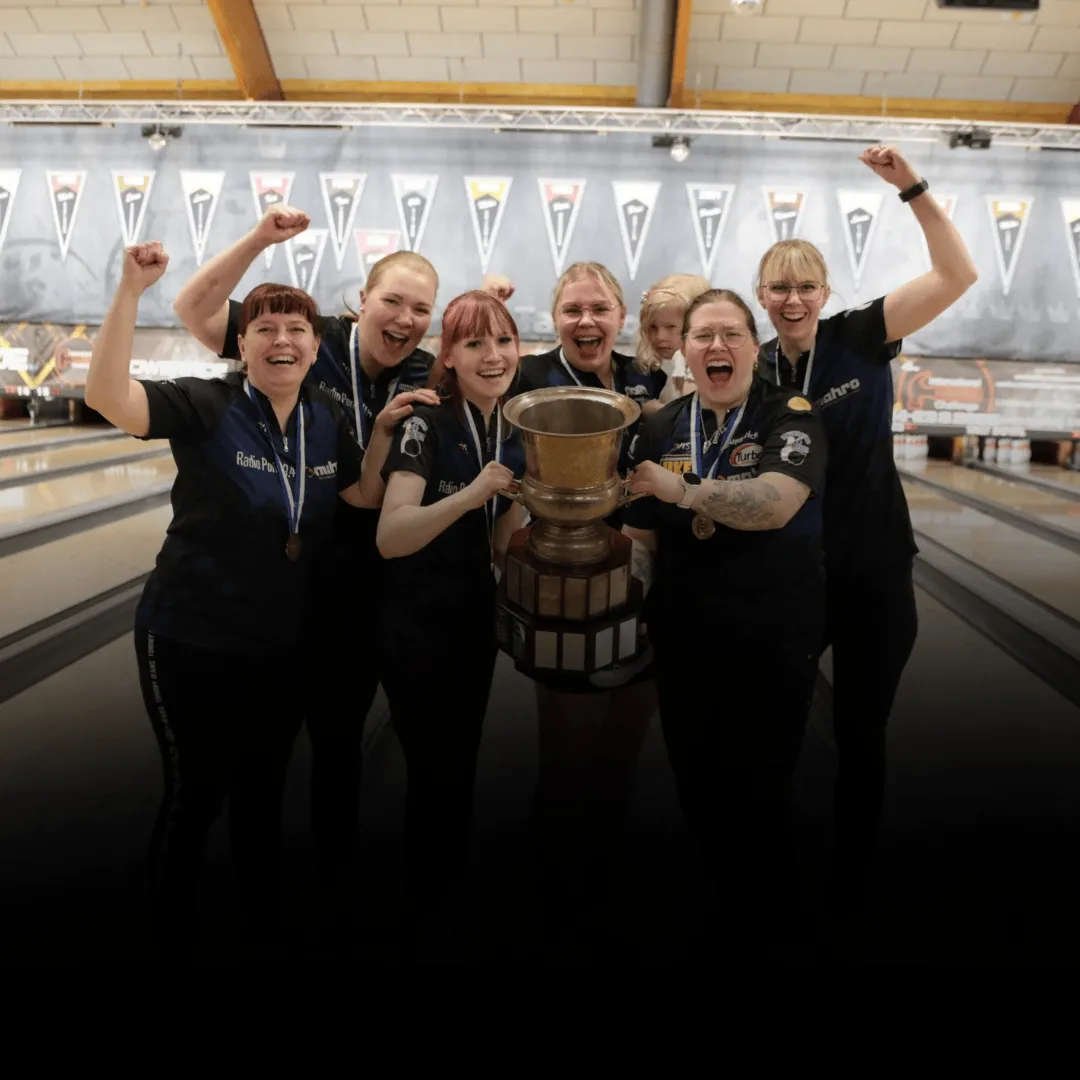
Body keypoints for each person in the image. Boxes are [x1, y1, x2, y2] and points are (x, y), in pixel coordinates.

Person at [172, 205, 504, 924]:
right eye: (393, 301)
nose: (406, 318)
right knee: (329, 743)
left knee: (424, 754)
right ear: (363, 299)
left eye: (421, 308)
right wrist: (261, 239)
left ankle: (410, 886)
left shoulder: (426, 369)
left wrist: (487, 319)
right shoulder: (308, 341)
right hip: (317, 586)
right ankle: (324, 881)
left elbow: (494, 374)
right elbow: (195, 309)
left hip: (406, 582)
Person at [84, 242, 373, 961]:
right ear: (240, 344)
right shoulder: (205, 401)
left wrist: (397, 429)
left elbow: (356, 496)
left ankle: (260, 929)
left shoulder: (328, 416)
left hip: (280, 646)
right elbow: (106, 399)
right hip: (190, 637)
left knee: (263, 794)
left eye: (297, 329)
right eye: (265, 328)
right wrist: (128, 294)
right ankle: (172, 933)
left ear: (315, 347)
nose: (282, 339)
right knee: (197, 791)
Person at [755, 144, 978, 916]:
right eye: (778, 287)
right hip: (792, 577)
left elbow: (957, 277)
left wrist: (910, 188)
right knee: (773, 727)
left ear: (824, 291)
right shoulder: (749, 369)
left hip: (875, 572)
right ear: (761, 293)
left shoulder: (861, 333)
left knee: (861, 732)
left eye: (804, 286)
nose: (792, 299)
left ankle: (850, 876)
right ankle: (768, 865)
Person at [624, 287, 828, 964]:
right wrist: (625, 598)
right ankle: (723, 905)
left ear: (753, 346)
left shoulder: (790, 415)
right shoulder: (659, 428)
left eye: (732, 334)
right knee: (698, 785)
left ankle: (772, 920)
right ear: (682, 349)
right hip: (685, 639)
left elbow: (773, 505)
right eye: (702, 335)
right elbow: (642, 538)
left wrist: (684, 490)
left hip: (771, 636)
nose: (718, 346)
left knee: (761, 790)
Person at [507, 261, 666, 950]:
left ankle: (604, 882)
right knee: (567, 752)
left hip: (644, 582)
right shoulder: (529, 379)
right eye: (572, 310)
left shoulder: (648, 380)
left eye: (599, 309)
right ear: (555, 317)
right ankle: (554, 896)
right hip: (564, 588)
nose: (586, 321)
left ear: (620, 314)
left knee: (622, 751)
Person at [376, 290, 526, 948]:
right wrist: (472, 495)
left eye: (503, 342)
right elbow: (392, 535)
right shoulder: (427, 423)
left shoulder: (515, 428)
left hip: (472, 619)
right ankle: (422, 903)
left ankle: (447, 892)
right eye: (475, 344)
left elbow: (498, 542)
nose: (493, 356)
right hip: (414, 620)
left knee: (460, 764)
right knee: (433, 768)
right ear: (449, 356)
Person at [635, 273, 711, 406]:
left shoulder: (687, 364)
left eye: (670, 327)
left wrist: (656, 412)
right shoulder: (670, 365)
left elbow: (691, 413)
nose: (660, 337)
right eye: (652, 327)